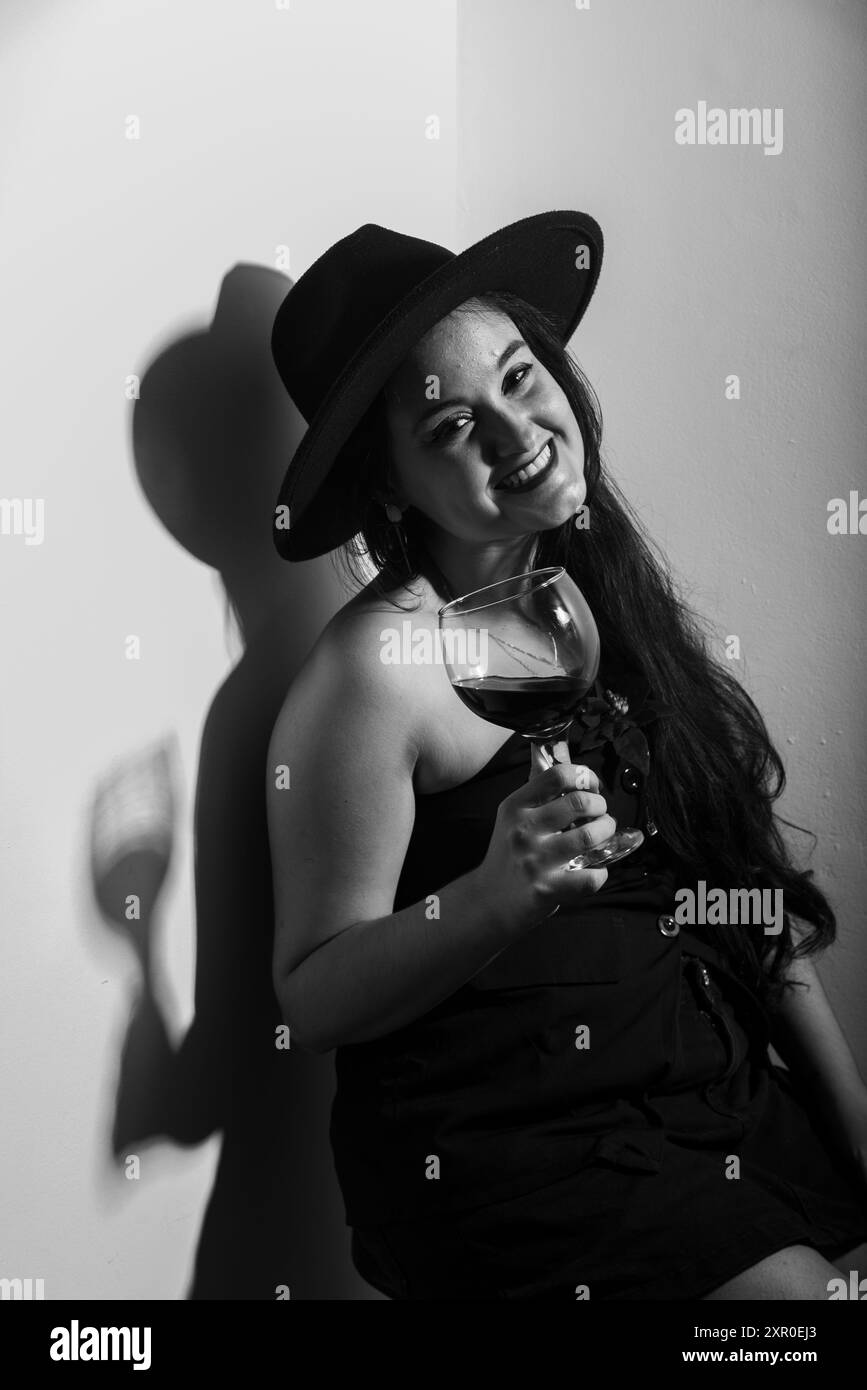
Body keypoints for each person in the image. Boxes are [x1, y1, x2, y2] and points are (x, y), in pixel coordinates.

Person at [265, 213, 867, 1300]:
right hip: (525, 1160)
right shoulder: (378, 669)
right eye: (451, 426)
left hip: (706, 1108)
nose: (517, 431)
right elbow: (309, 998)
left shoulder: (593, 586)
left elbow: (745, 905)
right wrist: (497, 895)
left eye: (518, 374)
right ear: (390, 484)